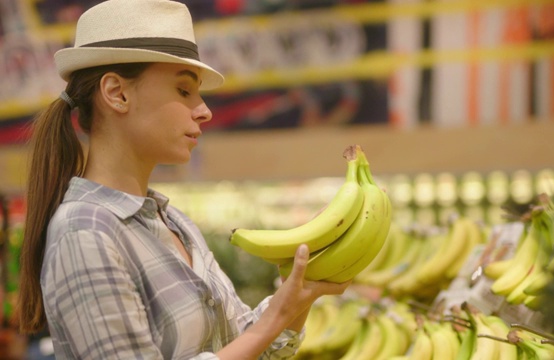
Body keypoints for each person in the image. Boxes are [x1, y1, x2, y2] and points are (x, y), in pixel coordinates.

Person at [16, 0, 350, 359]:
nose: (204, 111)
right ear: (117, 93)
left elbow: (245, 349)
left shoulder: (172, 222)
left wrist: (298, 299)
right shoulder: (85, 231)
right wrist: (277, 316)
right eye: (183, 90)